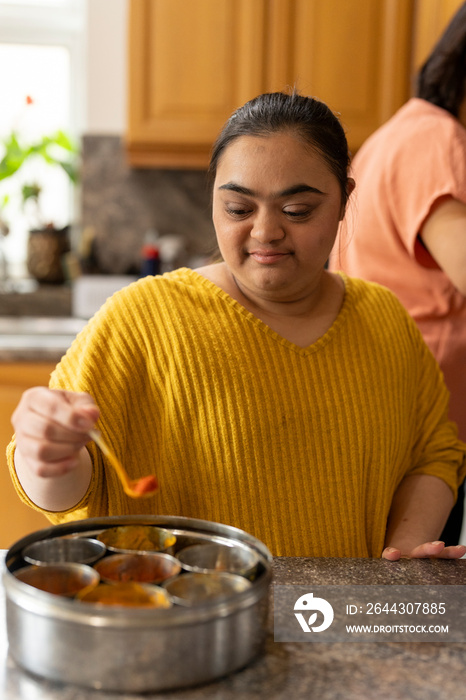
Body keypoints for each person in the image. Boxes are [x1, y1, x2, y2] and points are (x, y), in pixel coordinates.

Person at [7, 92, 466, 560]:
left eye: (296, 211)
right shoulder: (140, 321)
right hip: (183, 625)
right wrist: (43, 454)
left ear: (346, 200)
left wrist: (402, 561)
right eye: (238, 209)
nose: (266, 232)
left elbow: (432, 452)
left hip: (338, 624)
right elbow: (64, 493)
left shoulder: (384, 320)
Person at [329, 1, 466, 544]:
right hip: (428, 422)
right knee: (403, 596)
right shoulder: (437, 139)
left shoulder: (398, 133)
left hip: (393, 411)